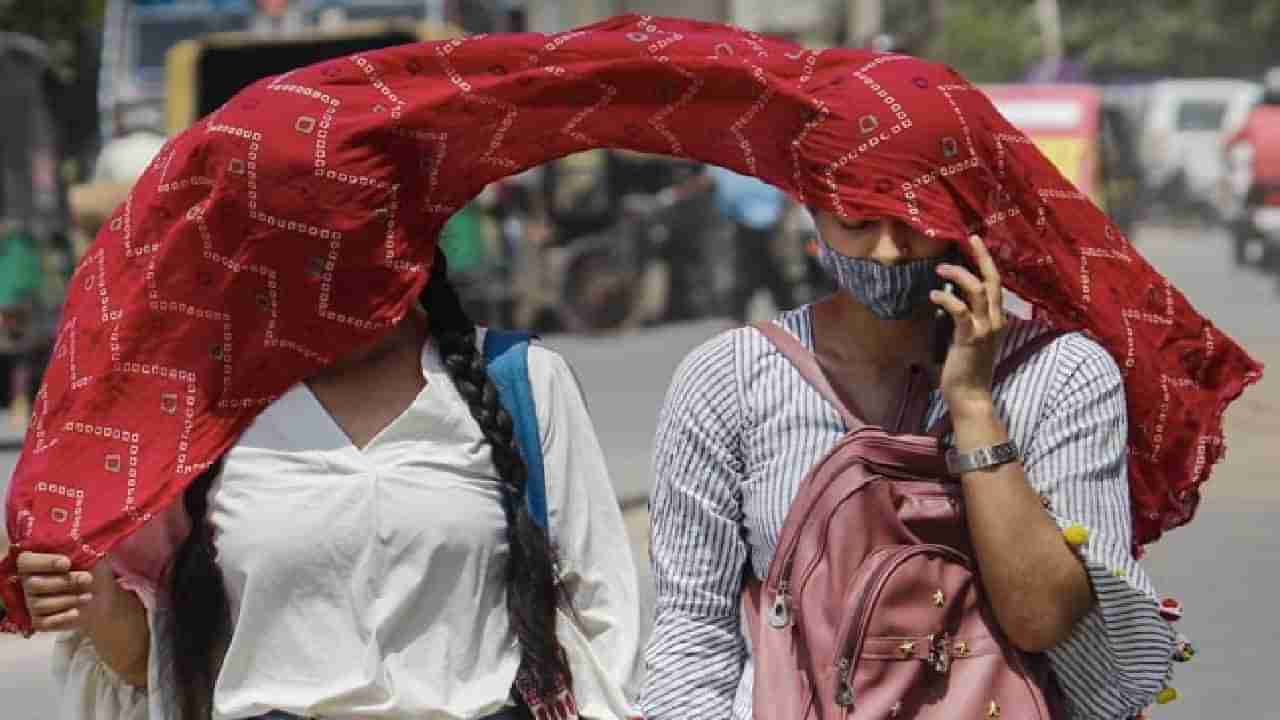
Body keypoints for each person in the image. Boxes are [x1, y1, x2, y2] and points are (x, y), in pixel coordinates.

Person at [15, 248, 643, 720]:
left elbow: (603, 624)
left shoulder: (521, 380)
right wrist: (86, 594)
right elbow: (155, 667)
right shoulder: (203, 410)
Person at [641, 214, 1176, 719]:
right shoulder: (728, 379)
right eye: (856, 221)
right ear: (814, 208)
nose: (889, 252)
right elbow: (693, 626)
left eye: (917, 222)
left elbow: (1041, 619)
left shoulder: (1062, 375)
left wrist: (971, 404)